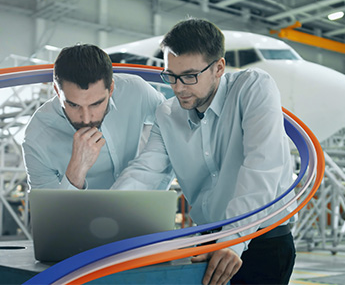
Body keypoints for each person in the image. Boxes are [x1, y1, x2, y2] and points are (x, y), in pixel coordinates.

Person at [112, 18, 296, 285]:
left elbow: (261, 168)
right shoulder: (167, 113)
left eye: (189, 76)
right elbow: (145, 172)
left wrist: (233, 240)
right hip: (207, 245)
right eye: (171, 76)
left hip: (262, 241)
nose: (178, 88)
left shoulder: (253, 88)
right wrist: (106, 214)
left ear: (219, 67)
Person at [22, 44, 169, 191]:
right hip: (81, 214)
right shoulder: (37, 138)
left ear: (111, 88)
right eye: (74, 105)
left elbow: (172, 126)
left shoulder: (135, 91)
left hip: (142, 206)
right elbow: (49, 211)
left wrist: (152, 180)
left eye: (96, 104)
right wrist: (76, 172)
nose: (86, 119)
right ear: (57, 91)